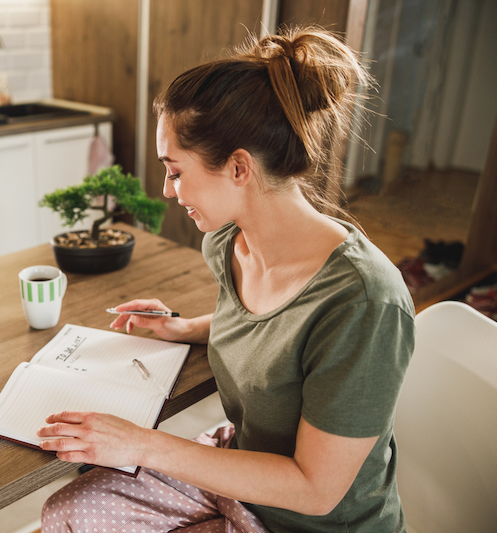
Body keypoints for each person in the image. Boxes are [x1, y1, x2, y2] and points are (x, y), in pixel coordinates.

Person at [38, 26, 415, 533]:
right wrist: (186, 327)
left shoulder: (364, 301)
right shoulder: (229, 243)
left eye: (175, 171)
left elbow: (316, 489)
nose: (169, 191)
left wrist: (141, 443)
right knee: (63, 513)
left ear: (239, 168)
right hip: (240, 479)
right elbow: (274, 333)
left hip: (304, 520)